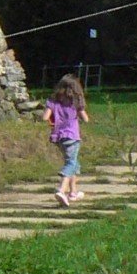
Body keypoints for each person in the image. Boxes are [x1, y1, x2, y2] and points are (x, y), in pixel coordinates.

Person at [46, 74, 89, 206]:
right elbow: (86, 119)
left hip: (58, 137)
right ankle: (61, 190)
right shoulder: (76, 102)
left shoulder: (53, 101)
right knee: (70, 164)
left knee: (73, 162)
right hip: (72, 136)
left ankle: (73, 192)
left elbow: (45, 117)